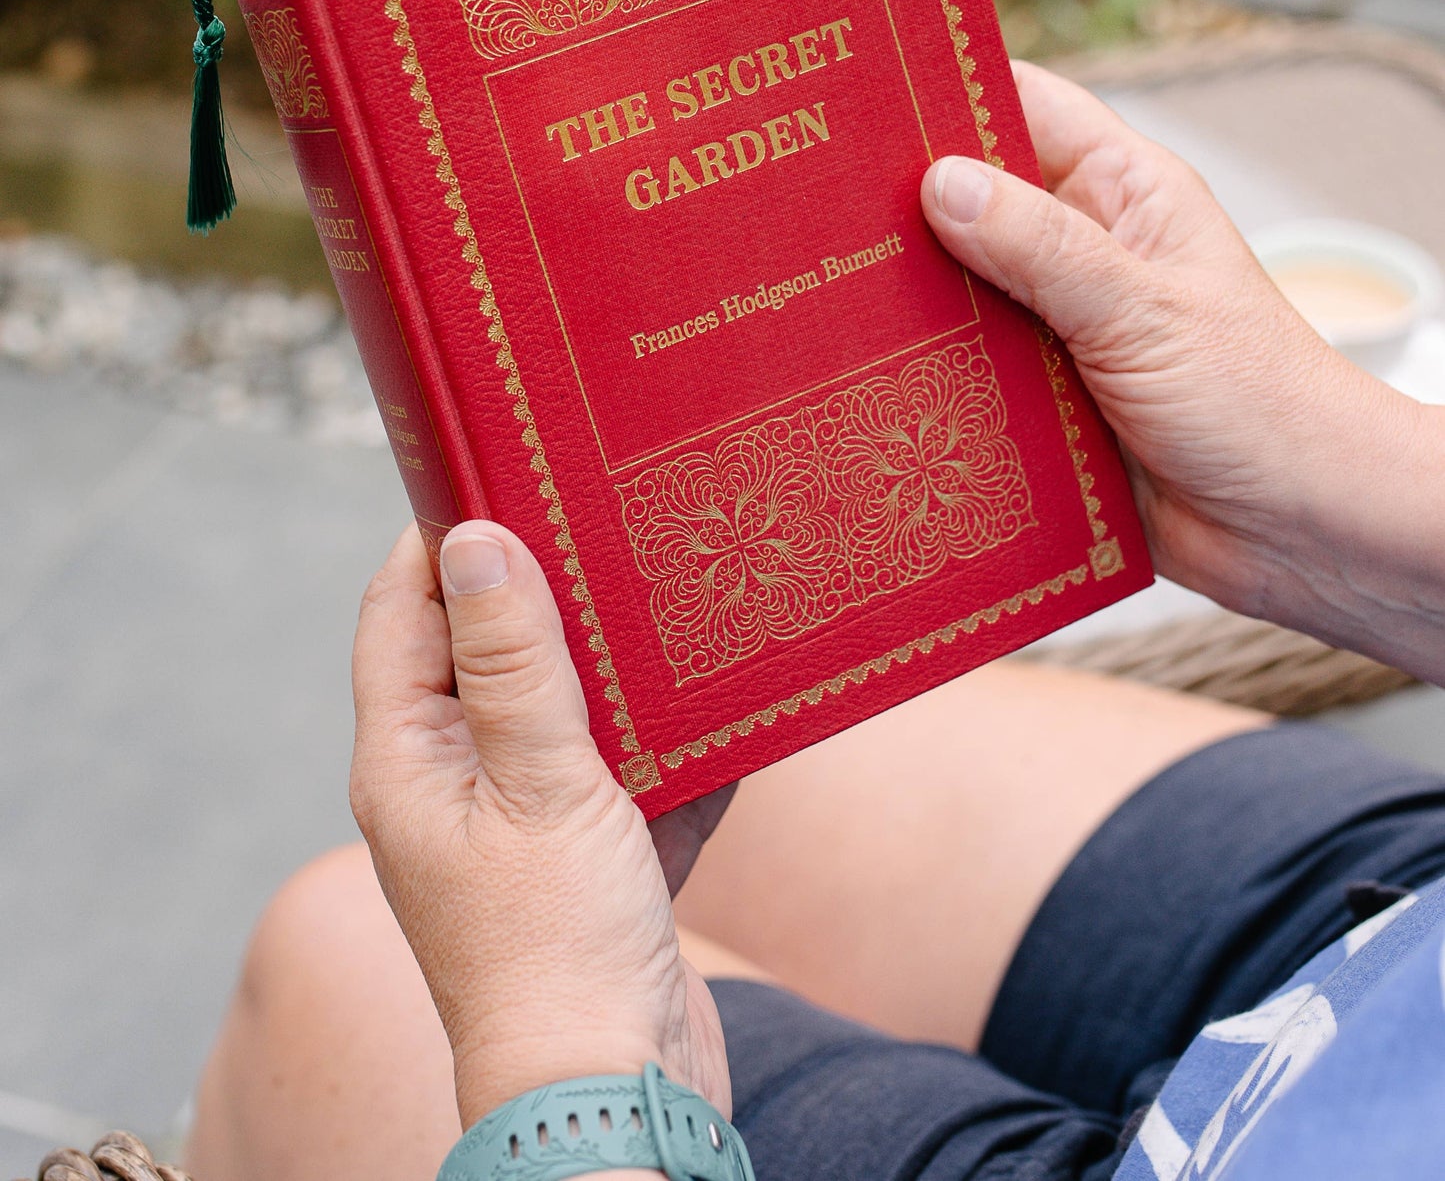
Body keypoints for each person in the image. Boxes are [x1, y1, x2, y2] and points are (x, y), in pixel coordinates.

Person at [185, 64, 1445, 1181]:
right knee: (746, 740)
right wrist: (1359, 511)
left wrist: (566, 1061)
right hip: (1395, 983)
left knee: (344, 955)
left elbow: (548, 1036)